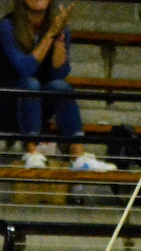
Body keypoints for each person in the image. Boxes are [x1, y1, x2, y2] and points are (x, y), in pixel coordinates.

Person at [0, 0, 116, 171]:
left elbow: (58, 74)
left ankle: (78, 156)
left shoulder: (57, 25)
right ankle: (31, 153)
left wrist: (59, 38)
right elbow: (25, 69)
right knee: (30, 84)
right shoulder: (7, 26)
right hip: (8, 100)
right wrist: (49, 36)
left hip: (39, 101)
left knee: (60, 87)